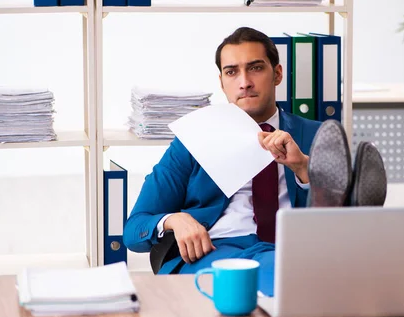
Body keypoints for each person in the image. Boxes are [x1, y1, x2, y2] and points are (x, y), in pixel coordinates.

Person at [123, 27, 386, 296]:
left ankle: (332, 200)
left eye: (256, 68)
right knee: (284, 279)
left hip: (291, 246)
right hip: (216, 250)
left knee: (297, 267)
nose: (244, 82)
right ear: (222, 82)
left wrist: (302, 167)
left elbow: (337, 226)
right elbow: (134, 229)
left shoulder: (319, 135)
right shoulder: (192, 140)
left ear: (278, 74)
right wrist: (174, 221)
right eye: (232, 72)